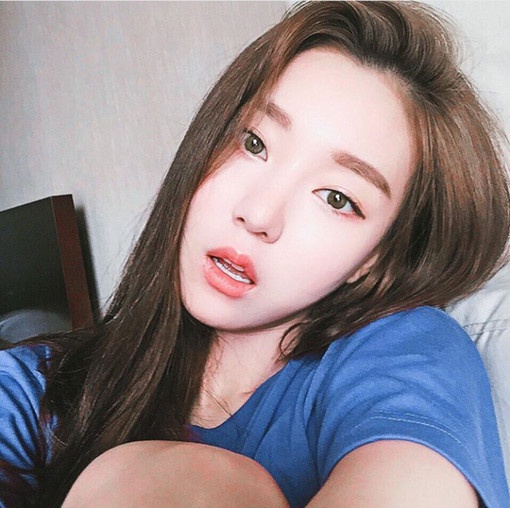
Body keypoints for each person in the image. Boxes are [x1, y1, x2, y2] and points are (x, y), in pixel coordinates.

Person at [1, 1, 510, 506]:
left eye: (337, 198)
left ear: (375, 258)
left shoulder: (404, 351)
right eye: (253, 143)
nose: (259, 213)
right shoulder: (38, 387)